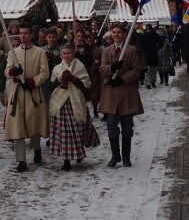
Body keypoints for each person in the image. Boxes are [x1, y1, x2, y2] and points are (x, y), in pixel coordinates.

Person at [4, 22, 50, 172]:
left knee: (34, 122)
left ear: (31, 35)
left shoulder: (39, 52)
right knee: (18, 126)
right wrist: (13, 72)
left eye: (25, 33)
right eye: (21, 33)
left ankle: (36, 148)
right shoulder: (13, 52)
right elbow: (7, 70)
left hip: (33, 92)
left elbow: (45, 73)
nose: (22, 36)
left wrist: (32, 82)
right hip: (17, 93)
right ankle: (21, 160)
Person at [49, 44, 100, 170]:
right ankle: (66, 160)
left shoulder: (80, 66)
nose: (66, 56)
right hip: (61, 104)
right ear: (61, 55)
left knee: (77, 130)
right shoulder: (57, 68)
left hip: (75, 102)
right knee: (64, 133)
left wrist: (74, 79)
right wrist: (59, 80)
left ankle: (78, 152)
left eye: (69, 53)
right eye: (64, 53)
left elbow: (86, 85)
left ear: (73, 54)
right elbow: (51, 86)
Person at [99, 22, 143, 168]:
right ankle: (115, 155)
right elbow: (103, 67)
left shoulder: (131, 50)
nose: (116, 35)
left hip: (126, 94)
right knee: (111, 124)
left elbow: (137, 69)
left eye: (119, 32)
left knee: (127, 126)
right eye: (114, 32)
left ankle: (126, 156)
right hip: (111, 94)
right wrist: (112, 68)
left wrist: (122, 78)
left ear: (124, 34)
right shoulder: (106, 50)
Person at [84, 32, 102, 118]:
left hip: (94, 73)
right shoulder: (83, 49)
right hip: (85, 72)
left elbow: (103, 59)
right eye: (86, 40)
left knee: (95, 93)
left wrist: (99, 62)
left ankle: (95, 109)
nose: (88, 42)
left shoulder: (98, 49)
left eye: (90, 40)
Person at [142, 24, 162, 89]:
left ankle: (153, 81)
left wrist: (156, 49)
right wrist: (144, 50)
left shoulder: (156, 35)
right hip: (147, 56)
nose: (149, 30)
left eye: (149, 29)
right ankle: (148, 83)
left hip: (154, 55)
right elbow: (141, 45)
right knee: (148, 70)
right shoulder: (144, 36)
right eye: (147, 29)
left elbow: (161, 44)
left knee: (154, 70)